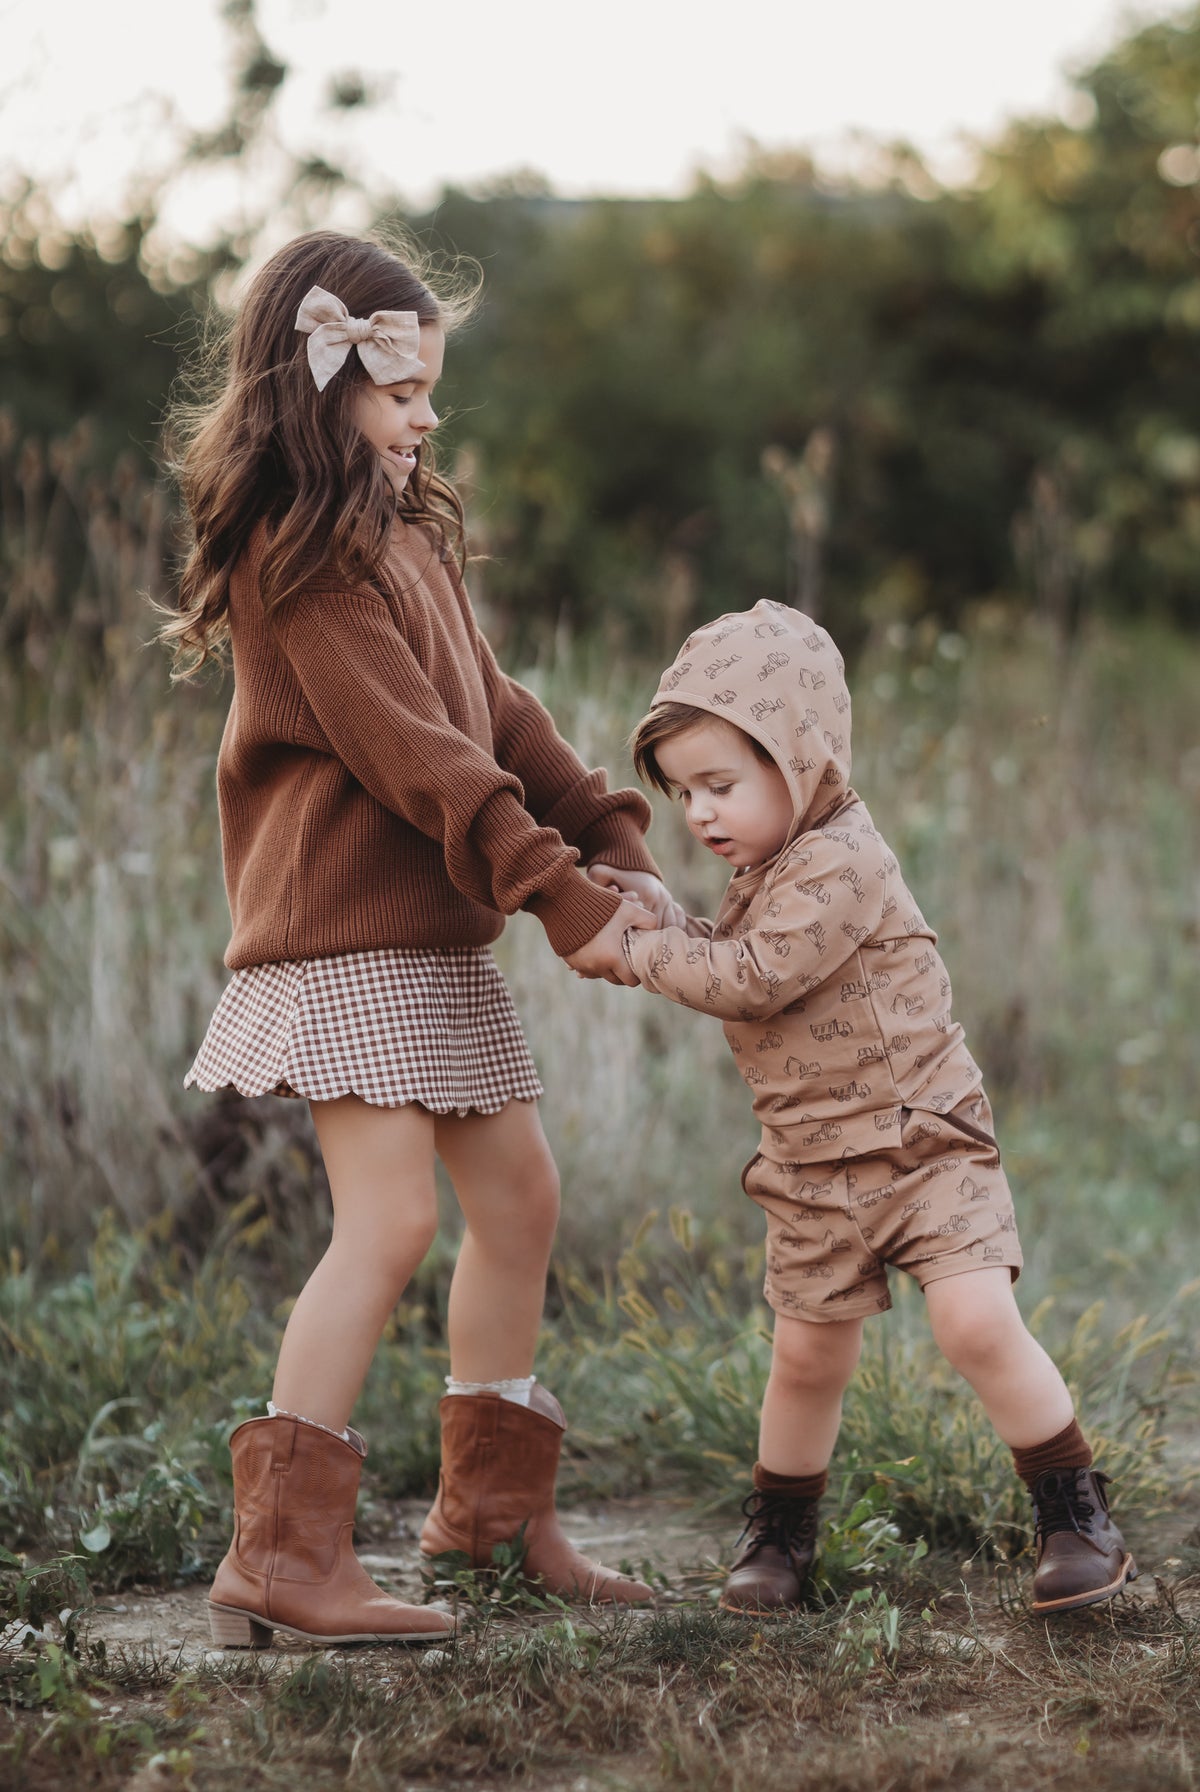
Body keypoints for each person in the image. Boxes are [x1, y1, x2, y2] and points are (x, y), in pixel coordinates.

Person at [161, 229, 678, 1648]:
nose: (427, 418)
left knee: (520, 1204)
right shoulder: (301, 561)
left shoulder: (402, 539)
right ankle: (280, 1553)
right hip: (343, 937)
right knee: (386, 1223)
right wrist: (556, 896)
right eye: (402, 394)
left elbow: (497, 719)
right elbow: (416, 760)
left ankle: (492, 1521)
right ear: (317, 390)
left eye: (431, 392)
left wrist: (609, 836)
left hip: (428, 940)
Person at [598, 598, 1135, 1617]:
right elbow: (727, 949)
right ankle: (782, 1536)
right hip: (809, 1163)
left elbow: (754, 976)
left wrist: (632, 950)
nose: (701, 814)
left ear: (799, 758)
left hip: (924, 1145)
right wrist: (662, 916)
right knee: (806, 1355)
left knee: (975, 1323)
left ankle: (1075, 1513)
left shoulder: (843, 858)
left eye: (722, 783)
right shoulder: (766, 864)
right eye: (683, 793)